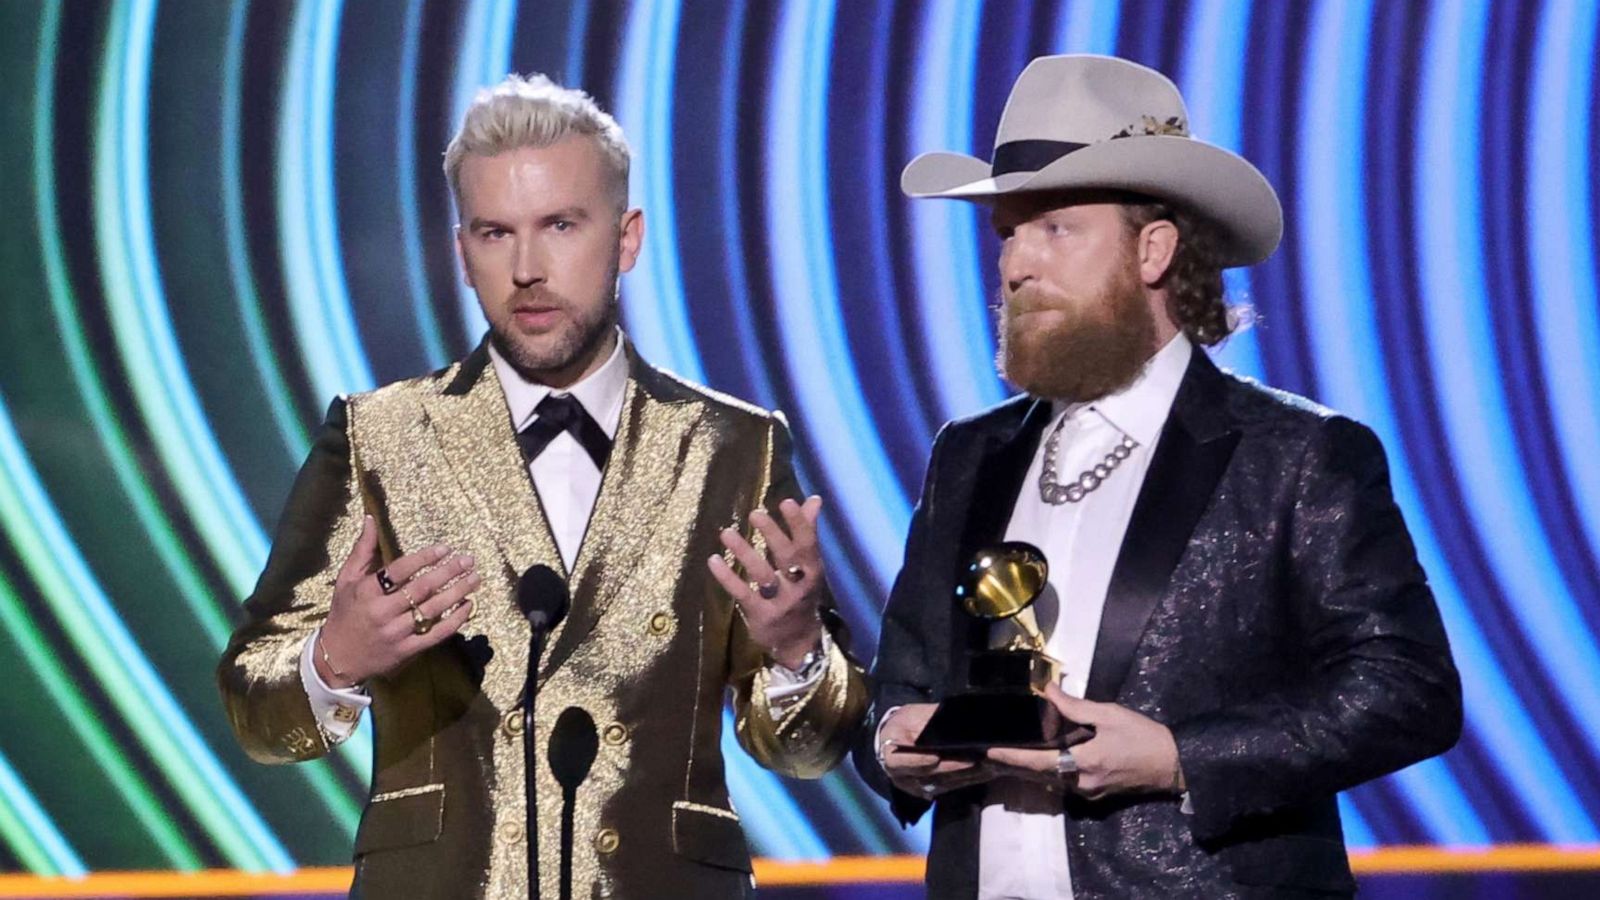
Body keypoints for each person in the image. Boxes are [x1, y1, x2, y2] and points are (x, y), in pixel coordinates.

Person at [218, 74, 866, 899]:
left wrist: (795, 649)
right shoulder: (377, 436)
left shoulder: (734, 446)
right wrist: (336, 657)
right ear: (462, 254)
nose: (527, 268)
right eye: (495, 233)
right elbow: (255, 711)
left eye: (561, 225)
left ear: (626, 238)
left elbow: (807, 751)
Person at [853, 55, 1461, 898]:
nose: (1016, 264)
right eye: (1008, 234)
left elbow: (1409, 689)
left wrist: (1179, 757)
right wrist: (896, 740)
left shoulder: (1295, 455)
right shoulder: (970, 455)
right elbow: (907, 676)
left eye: (1054, 228)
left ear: (1155, 249)